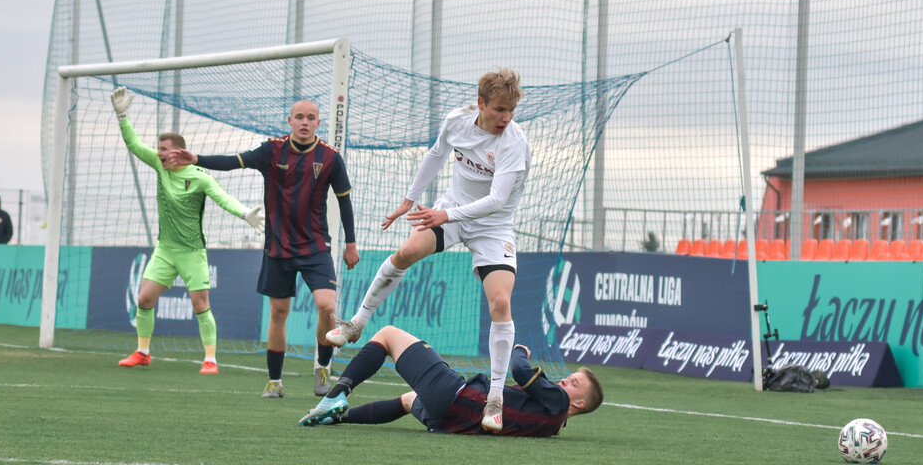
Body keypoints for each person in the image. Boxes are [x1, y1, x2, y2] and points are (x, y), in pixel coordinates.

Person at [327, 68, 530, 433]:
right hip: (451, 208)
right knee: (406, 252)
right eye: (500, 109)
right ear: (481, 104)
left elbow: (497, 200)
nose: (506, 118)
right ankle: (356, 324)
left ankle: (495, 400)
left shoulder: (514, 142)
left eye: (511, 110)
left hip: (492, 224)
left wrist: (444, 214)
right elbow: (436, 155)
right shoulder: (457, 120)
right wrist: (409, 200)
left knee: (501, 302)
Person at [167, 99, 360, 398]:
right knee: (279, 312)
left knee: (327, 306)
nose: (305, 122)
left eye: (311, 118)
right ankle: (275, 381)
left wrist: (351, 243)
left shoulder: (331, 158)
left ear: (318, 123)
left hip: (315, 246)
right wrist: (196, 158)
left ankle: (323, 365)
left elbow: (344, 201)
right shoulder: (272, 150)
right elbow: (233, 161)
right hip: (278, 247)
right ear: (290, 120)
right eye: (299, 117)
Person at [110, 87, 265, 374]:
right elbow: (133, 144)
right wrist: (122, 116)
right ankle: (143, 352)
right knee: (144, 299)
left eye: (164, 149)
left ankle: (210, 360)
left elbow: (222, 197)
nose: (159, 153)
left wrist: (245, 213)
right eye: (159, 149)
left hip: (192, 251)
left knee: (199, 304)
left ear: (179, 151)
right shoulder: (160, 165)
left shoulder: (198, 176)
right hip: (165, 248)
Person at [298, 324, 603, 436]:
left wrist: (520, 350)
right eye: (569, 377)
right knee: (408, 400)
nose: (565, 381)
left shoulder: (558, 403)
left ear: (577, 402)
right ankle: (335, 420)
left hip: (459, 397)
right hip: (451, 422)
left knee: (389, 335)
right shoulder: (552, 426)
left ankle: (337, 393)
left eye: (573, 383)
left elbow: (521, 371)